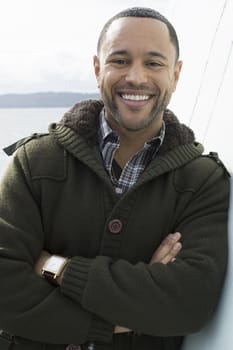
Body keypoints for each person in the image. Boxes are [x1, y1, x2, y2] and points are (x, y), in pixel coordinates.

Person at [0, 6, 230, 350]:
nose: (136, 77)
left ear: (177, 74)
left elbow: (189, 303)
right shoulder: (36, 161)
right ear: (97, 68)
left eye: (154, 63)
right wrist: (127, 318)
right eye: (120, 60)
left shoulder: (204, 181)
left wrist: (57, 268)